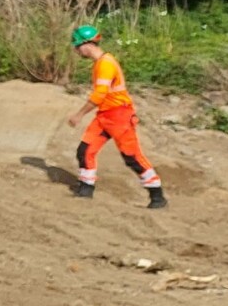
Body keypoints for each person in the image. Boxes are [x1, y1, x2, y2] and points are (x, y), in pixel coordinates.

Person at [65, 24, 167, 209]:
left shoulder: (105, 64)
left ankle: (157, 195)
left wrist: (79, 115)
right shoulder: (101, 62)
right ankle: (86, 188)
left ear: (86, 45)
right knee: (85, 150)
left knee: (132, 157)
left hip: (119, 115)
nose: (76, 50)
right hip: (105, 115)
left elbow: (99, 95)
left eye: (77, 46)